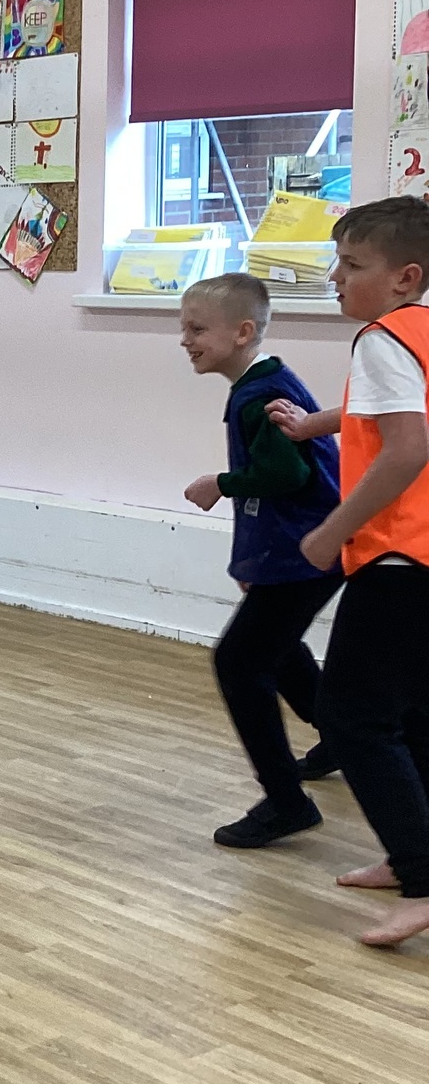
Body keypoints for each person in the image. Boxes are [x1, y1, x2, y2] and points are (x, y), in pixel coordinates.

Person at [268, 195, 429, 946]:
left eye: (351, 264)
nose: (335, 277)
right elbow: (385, 412)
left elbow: (406, 446)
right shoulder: (420, 333)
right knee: (414, 714)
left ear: (405, 277)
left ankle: (423, 879)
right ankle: (411, 856)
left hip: (398, 557)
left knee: (352, 717)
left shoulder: (381, 338)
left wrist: (334, 530)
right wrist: (313, 424)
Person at [180, 272, 341, 846]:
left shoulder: (257, 395)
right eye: (184, 328)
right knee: (276, 647)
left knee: (239, 662)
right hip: (302, 546)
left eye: (197, 329)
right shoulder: (266, 381)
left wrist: (219, 483)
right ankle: (339, 738)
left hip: (308, 548)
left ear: (243, 332)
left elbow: (286, 475)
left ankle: (286, 802)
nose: (185, 340)